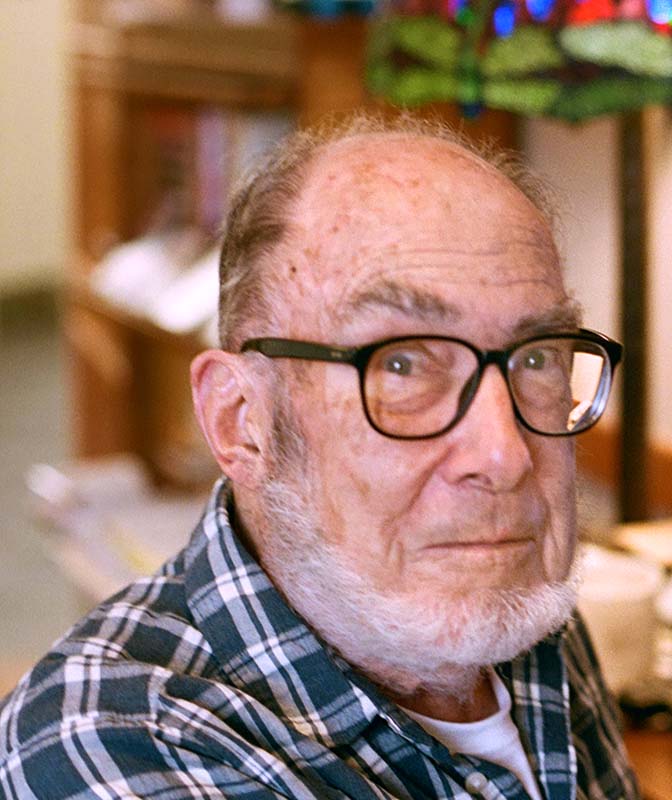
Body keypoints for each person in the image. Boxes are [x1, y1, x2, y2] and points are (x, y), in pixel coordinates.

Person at [0, 114, 639, 799]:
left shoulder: (512, 610)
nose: (505, 456)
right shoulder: (109, 746)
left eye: (537, 359)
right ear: (240, 420)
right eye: (401, 365)